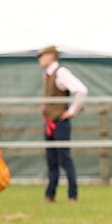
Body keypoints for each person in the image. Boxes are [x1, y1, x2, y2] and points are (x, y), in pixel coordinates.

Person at [36, 45, 88, 203]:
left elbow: (81, 90)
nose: (40, 59)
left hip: (60, 122)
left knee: (64, 159)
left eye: (42, 55)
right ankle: (50, 194)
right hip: (50, 122)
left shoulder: (61, 73)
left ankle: (72, 195)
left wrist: (71, 112)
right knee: (51, 160)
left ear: (51, 56)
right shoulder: (48, 75)